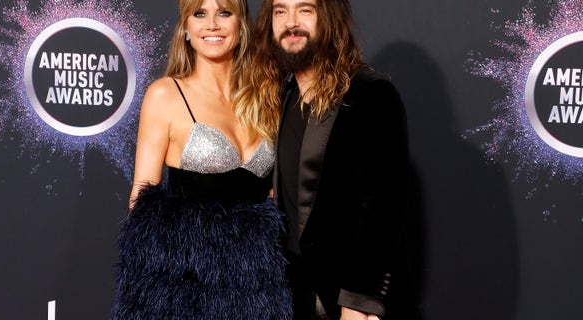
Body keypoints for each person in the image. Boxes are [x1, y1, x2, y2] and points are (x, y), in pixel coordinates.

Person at [110, 0, 292, 319]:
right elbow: (141, 201)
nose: (212, 25)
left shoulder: (268, 94)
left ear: (241, 25)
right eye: (199, 14)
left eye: (224, 13)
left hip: (258, 287)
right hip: (187, 288)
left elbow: (278, 194)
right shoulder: (165, 95)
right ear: (186, 28)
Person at [245, 0, 409, 319]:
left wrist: (357, 303)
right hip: (291, 297)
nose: (291, 22)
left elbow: (384, 210)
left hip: (346, 301)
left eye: (305, 9)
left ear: (328, 19)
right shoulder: (282, 96)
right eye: (280, 11)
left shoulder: (370, 94)